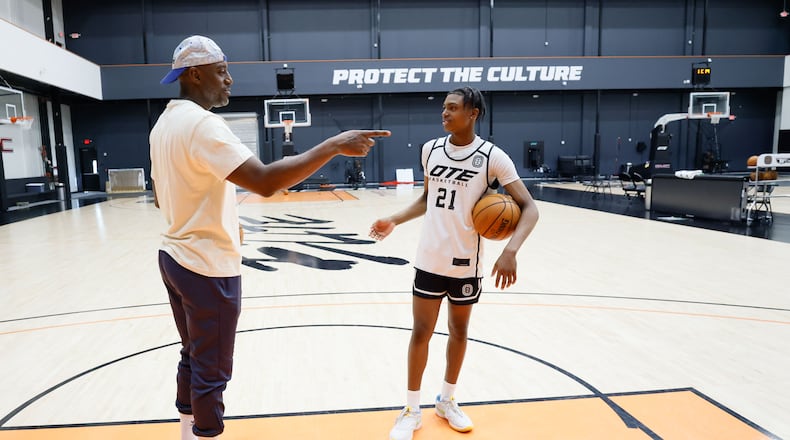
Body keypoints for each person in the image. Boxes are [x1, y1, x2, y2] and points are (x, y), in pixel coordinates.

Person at [149, 35, 390, 439]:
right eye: (221, 71)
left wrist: (219, 215)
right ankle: (205, 433)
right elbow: (264, 182)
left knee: (192, 354)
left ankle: (186, 429)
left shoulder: (165, 123)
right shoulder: (203, 124)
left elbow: (161, 197)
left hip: (174, 255)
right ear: (194, 73)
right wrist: (332, 145)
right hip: (206, 264)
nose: (229, 80)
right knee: (212, 369)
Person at [369, 87, 539, 440]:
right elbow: (427, 199)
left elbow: (530, 207)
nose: (444, 114)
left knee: (459, 332)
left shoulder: (493, 157)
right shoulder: (430, 150)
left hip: (466, 263)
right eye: (444, 108)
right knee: (421, 332)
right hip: (430, 257)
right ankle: (412, 410)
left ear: (473, 112)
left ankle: (446, 401)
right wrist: (394, 219)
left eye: (452, 108)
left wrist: (510, 251)